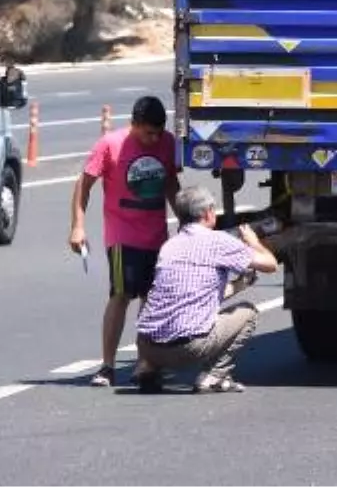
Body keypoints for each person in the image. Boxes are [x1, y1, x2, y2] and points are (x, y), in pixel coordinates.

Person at [68, 95, 180, 388]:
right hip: (122, 234)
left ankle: (146, 362)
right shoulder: (110, 144)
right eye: (148, 132)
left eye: (157, 132)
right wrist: (78, 227)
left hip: (156, 235)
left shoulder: (167, 143)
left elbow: (170, 184)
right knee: (121, 294)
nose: (153, 138)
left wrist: (187, 221)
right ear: (134, 125)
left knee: (152, 299)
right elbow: (84, 186)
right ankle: (107, 366)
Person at [132, 185, 280, 394]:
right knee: (248, 313)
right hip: (187, 348)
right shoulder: (218, 241)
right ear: (208, 212)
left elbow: (197, 295)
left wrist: (239, 285)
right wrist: (254, 243)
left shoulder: (170, 246)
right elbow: (270, 264)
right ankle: (214, 375)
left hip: (147, 346)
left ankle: (148, 368)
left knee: (164, 307)